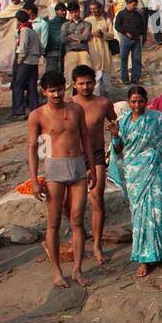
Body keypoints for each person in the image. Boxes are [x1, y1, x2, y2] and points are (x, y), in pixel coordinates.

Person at [107, 84, 162, 278]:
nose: (137, 105)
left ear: (146, 101)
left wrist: (160, 148)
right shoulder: (123, 122)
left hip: (153, 170)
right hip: (134, 175)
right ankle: (144, 259)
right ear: (128, 102)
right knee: (139, 217)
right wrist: (114, 135)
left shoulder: (155, 118)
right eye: (133, 102)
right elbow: (117, 150)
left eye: (140, 101)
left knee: (158, 213)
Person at [28, 71, 96, 288]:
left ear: (65, 88)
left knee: (77, 220)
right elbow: (31, 148)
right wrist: (34, 180)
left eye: (59, 89)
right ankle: (57, 271)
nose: (56, 94)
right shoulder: (38, 115)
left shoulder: (76, 109)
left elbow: (85, 137)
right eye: (51, 91)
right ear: (44, 91)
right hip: (53, 169)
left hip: (77, 166)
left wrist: (92, 168)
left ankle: (77, 269)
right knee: (54, 223)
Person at [70, 65, 117, 265]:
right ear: (74, 84)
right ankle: (78, 236)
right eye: (81, 83)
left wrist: (115, 135)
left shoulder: (103, 103)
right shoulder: (68, 104)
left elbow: (116, 124)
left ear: (94, 82)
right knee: (71, 204)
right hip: (74, 157)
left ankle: (97, 244)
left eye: (89, 82)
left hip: (97, 155)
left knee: (97, 198)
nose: (86, 86)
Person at [11, 10, 41, 118]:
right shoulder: (32, 30)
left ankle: (19, 111)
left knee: (18, 85)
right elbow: (40, 47)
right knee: (32, 86)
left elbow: (22, 48)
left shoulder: (24, 30)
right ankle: (35, 110)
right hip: (34, 62)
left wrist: (19, 61)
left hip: (26, 61)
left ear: (18, 20)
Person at [113, 0, 147, 84]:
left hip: (136, 39)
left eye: (135, 5)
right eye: (133, 4)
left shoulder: (138, 14)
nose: (134, 6)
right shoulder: (121, 14)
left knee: (136, 59)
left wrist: (140, 36)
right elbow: (117, 26)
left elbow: (143, 26)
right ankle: (125, 79)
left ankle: (135, 78)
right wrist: (125, 33)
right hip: (125, 38)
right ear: (128, 4)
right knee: (124, 58)